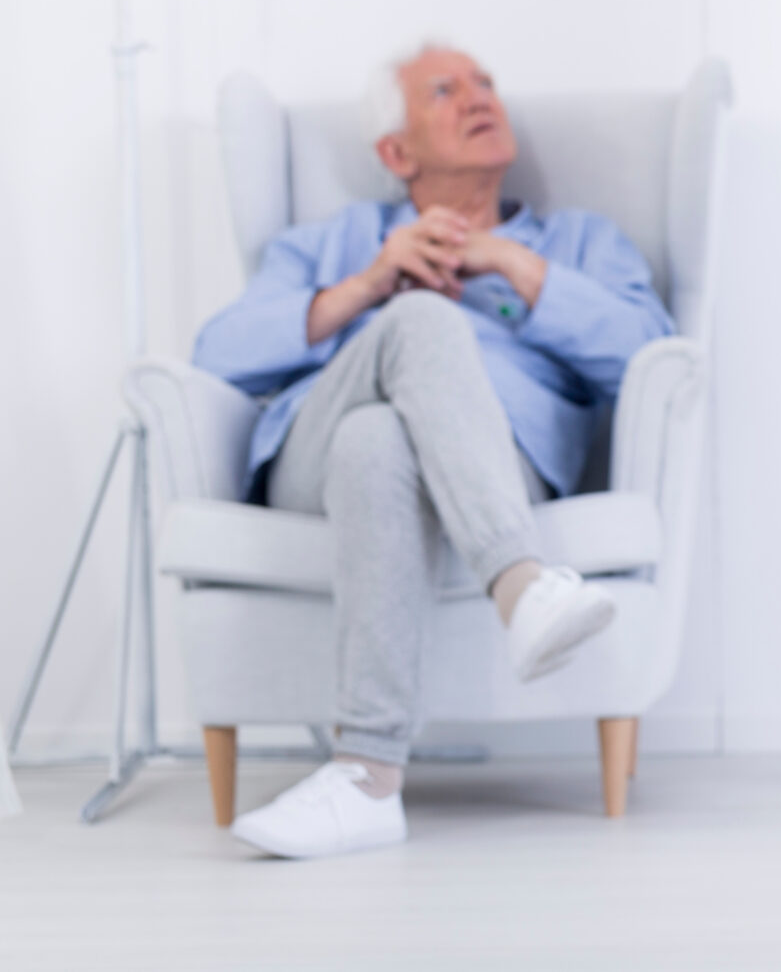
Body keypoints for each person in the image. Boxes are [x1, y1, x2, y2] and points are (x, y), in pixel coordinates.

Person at [193, 43, 674, 859]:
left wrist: (517, 265)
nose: (479, 97)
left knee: (376, 439)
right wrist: (369, 285)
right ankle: (523, 586)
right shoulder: (336, 241)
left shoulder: (577, 241)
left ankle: (368, 776)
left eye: (487, 81)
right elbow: (218, 351)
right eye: (445, 90)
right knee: (416, 324)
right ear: (396, 152)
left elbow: (652, 353)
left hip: (494, 460)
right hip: (310, 470)